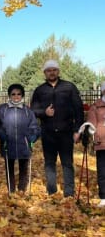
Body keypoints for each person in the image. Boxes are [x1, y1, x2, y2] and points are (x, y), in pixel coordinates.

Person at [31, 59, 84, 198]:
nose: (52, 72)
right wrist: (44, 112)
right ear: (45, 73)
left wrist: (78, 130)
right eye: (49, 70)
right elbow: (33, 110)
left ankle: (69, 193)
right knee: (49, 163)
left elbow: (79, 109)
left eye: (54, 70)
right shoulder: (39, 90)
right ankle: (52, 191)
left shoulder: (69, 87)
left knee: (67, 163)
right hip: (48, 133)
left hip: (66, 132)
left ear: (58, 71)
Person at [0, 84, 40, 193]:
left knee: (23, 169)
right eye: (13, 94)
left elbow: (34, 126)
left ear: (22, 95)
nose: (16, 96)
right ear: (9, 95)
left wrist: (32, 138)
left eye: (19, 94)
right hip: (8, 144)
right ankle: (11, 190)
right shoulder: (3, 109)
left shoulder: (27, 111)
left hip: (23, 144)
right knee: (9, 169)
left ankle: (22, 189)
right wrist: (3, 136)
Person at [86, 82, 105, 207]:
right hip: (101, 142)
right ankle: (104, 196)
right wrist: (91, 130)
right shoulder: (95, 106)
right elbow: (91, 122)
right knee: (102, 171)